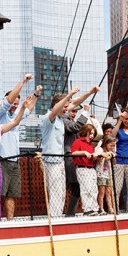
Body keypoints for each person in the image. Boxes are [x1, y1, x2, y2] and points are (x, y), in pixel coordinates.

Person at [0, 74, 41, 220]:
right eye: (13, 103)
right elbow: (9, 100)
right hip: (2, 158)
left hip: (15, 159)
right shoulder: (0, 114)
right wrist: (22, 81)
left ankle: (10, 221)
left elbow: (29, 108)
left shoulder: (17, 115)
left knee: (12, 193)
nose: (15, 105)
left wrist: (36, 94)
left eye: (17, 103)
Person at [40, 87, 80, 217]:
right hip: (51, 161)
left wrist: (90, 93)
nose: (67, 110)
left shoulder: (60, 120)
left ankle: (57, 217)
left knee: (61, 192)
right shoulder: (49, 118)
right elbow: (56, 110)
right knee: (55, 192)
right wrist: (68, 95)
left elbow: (74, 103)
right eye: (64, 107)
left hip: (59, 160)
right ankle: (54, 218)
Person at [64, 87, 100, 216]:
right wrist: (84, 112)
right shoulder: (65, 121)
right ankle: (72, 213)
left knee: (79, 188)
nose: (73, 113)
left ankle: (75, 212)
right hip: (72, 160)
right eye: (72, 111)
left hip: (83, 163)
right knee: (76, 187)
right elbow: (76, 128)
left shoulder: (86, 141)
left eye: (75, 112)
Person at [70, 124, 100, 215]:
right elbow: (73, 153)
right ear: (85, 132)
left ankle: (95, 207)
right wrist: (83, 152)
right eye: (90, 133)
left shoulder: (90, 145)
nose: (91, 136)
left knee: (94, 189)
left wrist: (95, 157)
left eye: (93, 134)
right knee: (86, 189)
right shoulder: (78, 141)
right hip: (82, 168)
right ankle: (87, 209)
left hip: (91, 168)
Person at [96, 136, 116, 214]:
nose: (112, 147)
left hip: (108, 174)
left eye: (114, 145)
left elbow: (114, 162)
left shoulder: (112, 152)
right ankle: (101, 208)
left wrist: (113, 156)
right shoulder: (101, 149)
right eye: (111, 145)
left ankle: (110, 208)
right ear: (106, 143)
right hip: (101, 173)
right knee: (101, 192)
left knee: (108, 192)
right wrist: (104, 154)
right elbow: (97, 155)